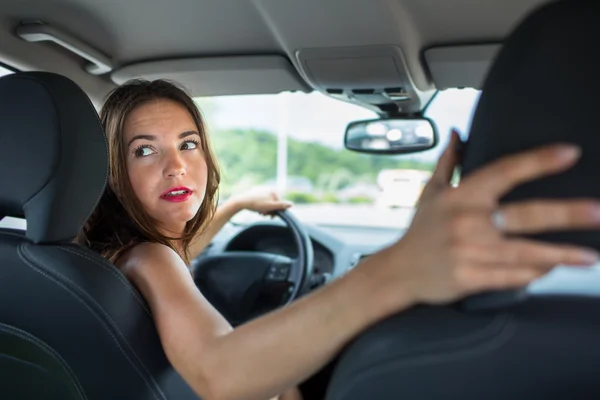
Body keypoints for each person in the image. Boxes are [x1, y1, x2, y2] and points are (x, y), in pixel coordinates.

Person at [77, 79, 600, 400]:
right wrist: (398, 268)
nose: (176, 165)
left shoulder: (122, 254)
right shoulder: (149, 257)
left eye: (188, 143)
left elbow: (182, 255)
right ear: (111, 169)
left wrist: (236, 207)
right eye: (145, 150)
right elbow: (219, 374)